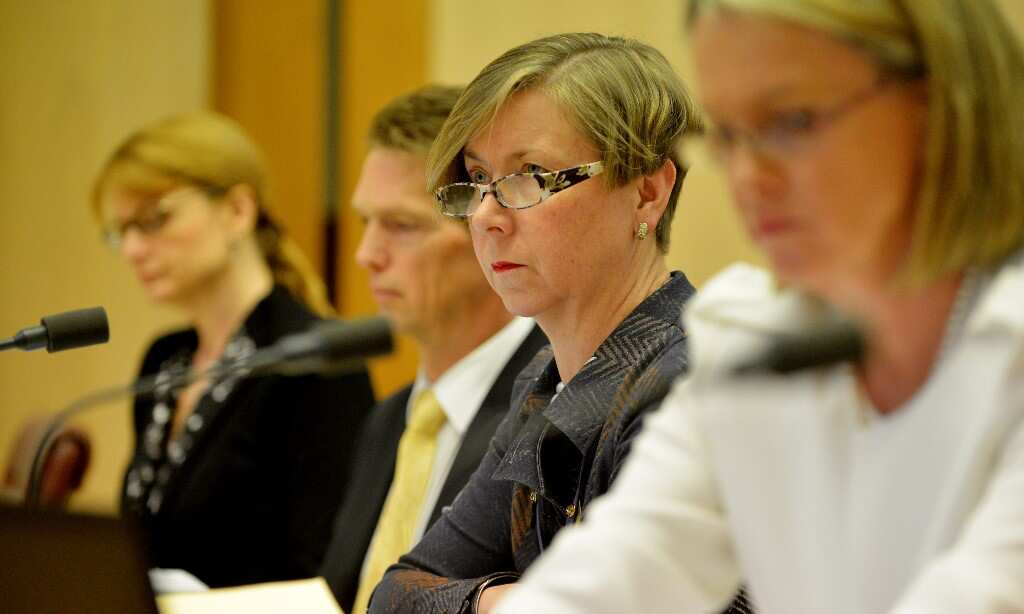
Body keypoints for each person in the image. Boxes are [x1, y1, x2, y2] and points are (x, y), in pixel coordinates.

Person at [494, 1, 1024, 613]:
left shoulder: (1006, 343)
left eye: (791, 122)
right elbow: (615, 578)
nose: (747, 176)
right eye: (727, 135)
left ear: (939, 106)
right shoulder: (754, 345)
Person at [369, 33, 748, 614]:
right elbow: (399, 591)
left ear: (647, 193)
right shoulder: (545, 380)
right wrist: (503, 604)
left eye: (530, 176)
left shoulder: (690, 381)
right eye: (477, 179)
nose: (489, 216)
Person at [92, 112, 376, 587]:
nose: (133, 250)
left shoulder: (316, 361)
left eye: (155, 219)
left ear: (238, 211)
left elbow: (323, 574)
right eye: (123, 231)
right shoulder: (165, 361)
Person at [318, 85, 548, 614]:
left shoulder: (551, 403)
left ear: (486, 227)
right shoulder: (387, 420)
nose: (365, 255)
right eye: (364, 222)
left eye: (401, 226)